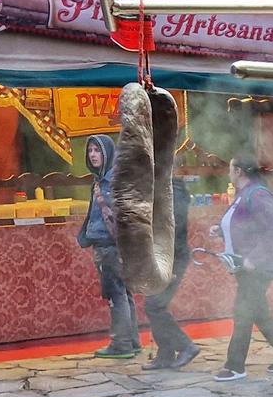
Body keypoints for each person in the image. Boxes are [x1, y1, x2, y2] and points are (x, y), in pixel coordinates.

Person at [213, 154, 273, 381]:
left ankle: (235, 366)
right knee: (259, 313)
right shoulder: (243, 195)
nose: (228, 172)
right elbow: (243, 225)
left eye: (231, 168)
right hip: (245, 266)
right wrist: (221, 230)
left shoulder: (258, 195)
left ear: (239, 171)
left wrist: (254, 258)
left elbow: (268, 231)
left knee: (243, 313)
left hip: (257, 268)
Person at [76, 132, 139, 359]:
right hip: (115, 246)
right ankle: (131, 341)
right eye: (90, 151)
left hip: (110, 246)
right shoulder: (103, 180)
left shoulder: (111, 182)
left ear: (107, 153)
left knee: (116, 295)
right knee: (125, 293)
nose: (93, 155)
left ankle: (121, 344)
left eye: (97, 151)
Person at [140, 168, 200, 371]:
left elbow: (171, 231)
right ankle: (165, 354)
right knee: (155, 305)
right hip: (162, 257)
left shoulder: (173, 193)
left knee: (154, 305)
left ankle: (186, 346)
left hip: (172, 258)